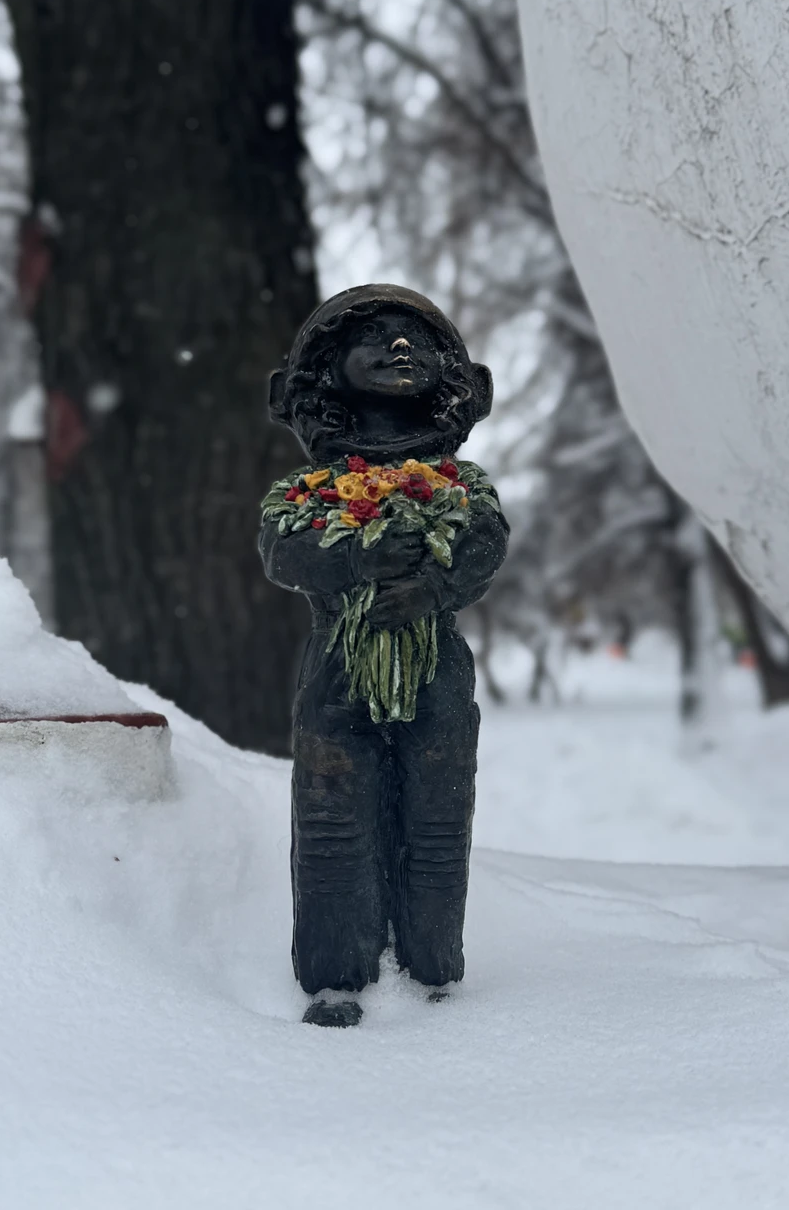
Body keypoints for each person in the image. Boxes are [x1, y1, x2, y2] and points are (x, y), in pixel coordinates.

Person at [260, 285, 509, 1027]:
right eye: (379, 338)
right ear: (328, 371)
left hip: (435, 676)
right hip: (338, 675)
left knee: (435, 818)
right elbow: (285, 551)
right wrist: (361, 560)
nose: (402, 350)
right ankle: (337, 973)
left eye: (419, 341)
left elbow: (485, 543)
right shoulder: (311, 490)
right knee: (335, 817)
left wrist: (433, 584)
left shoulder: (460, 486)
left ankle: (432, 966)